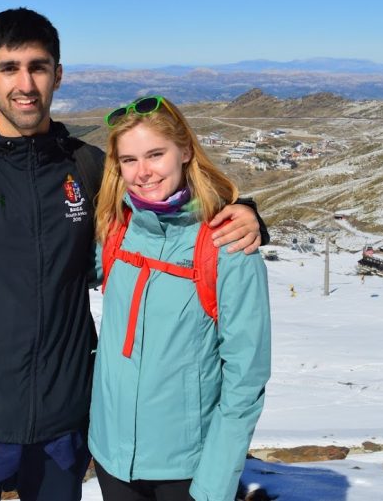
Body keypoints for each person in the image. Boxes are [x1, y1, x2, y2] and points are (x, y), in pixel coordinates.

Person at [0, 8, 269, 501]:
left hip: (62, 425)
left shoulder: (86, 166)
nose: (25, 84)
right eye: (9, 68)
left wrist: (248, 213)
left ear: (58, 75)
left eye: (39, 67)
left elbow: (154, 213)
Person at [89, 95, 271, 501]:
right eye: (129, 159)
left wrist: (213, 486)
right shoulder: (116, 229)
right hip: (111, 458)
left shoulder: (227, 245)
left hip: (186, 470)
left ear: (185, 150)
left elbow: (246, 380)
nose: (143, 172)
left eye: (156, 154)